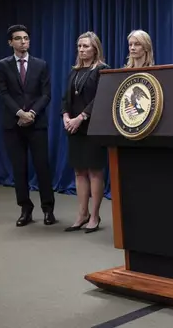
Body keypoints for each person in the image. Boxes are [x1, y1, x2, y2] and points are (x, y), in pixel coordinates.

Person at [0, 24, 56, 227]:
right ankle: (25, 208)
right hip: (13, 125)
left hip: (36, 123)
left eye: (26, 38)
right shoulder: (2, 65)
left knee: (42, 167)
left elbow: (46, 94)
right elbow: (3, 93)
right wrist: (19, 113)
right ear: (10, 42)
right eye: (18, 38)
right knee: (19, 168)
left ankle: (48, 209)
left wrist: (31, 113)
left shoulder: (41, 64)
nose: (23, 41)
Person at [61, 31, 109, 234]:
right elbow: (66, 98)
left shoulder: (102, 70)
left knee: (94, 171)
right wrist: (65, 116)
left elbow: (100, 98)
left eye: (86, 46)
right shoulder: (75, 71)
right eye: (79, 46)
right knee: (79, 171)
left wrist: (80, 117)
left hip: (92, 127)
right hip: (74, 128)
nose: (82, 50)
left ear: (95, 48)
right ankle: (82, 214)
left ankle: (95, 216)